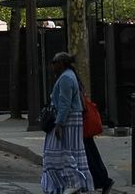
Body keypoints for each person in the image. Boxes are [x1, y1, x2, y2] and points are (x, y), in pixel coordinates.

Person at [40, 51, 93, 194]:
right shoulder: (69, 76)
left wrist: (59, 124)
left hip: (67, 120)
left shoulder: (65, 78)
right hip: (70, 118)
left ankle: (72, 182)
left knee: (62, 151)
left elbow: (65, 103)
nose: (52, 65)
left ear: (61, 63)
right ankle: (72, 183)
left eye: (54, 62)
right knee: (69, 151)